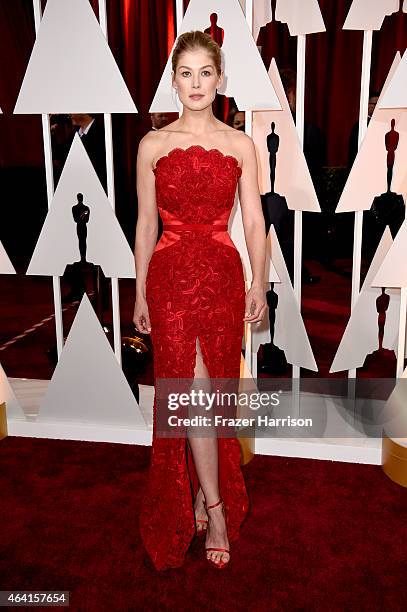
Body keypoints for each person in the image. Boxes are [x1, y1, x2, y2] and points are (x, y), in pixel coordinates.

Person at [133, 30, 266, 570]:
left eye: (204, 73)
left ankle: (206, 498)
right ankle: (212, 505)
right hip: (167, 278)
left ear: (220, 79)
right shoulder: (152, 145)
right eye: (184, 74)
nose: (195, 83)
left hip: (219, 276)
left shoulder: (240, 145)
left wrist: (258, 281)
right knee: (185, 394)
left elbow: (254, 221)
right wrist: (140, 290)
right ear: (173, 80)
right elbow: (144, 224)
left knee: (210, 395)